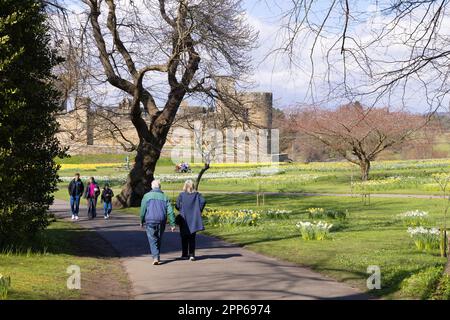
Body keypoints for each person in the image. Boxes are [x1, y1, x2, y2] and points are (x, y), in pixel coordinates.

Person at [140, 180, 176, 265]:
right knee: (158, 238)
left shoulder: (146, 196)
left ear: (152, 187)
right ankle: (157, 256)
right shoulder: (165, 197)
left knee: (152, 239)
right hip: (161, 220)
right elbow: (170, 211)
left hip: (150, 220)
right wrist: (172, 224)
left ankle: (155, 257)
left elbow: (143, 210)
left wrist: (141, 220)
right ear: (160, 187)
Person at [175, 180, 206, 261]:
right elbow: (203, 201)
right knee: (192, 237)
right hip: (194, 218)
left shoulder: (182, 195)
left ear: (185, 186)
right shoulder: (197, 195)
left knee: (184, 237)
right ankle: (192, 254)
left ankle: (184, 254)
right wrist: (199, 210)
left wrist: (180, 208)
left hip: (184, 218)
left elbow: (177, 205)